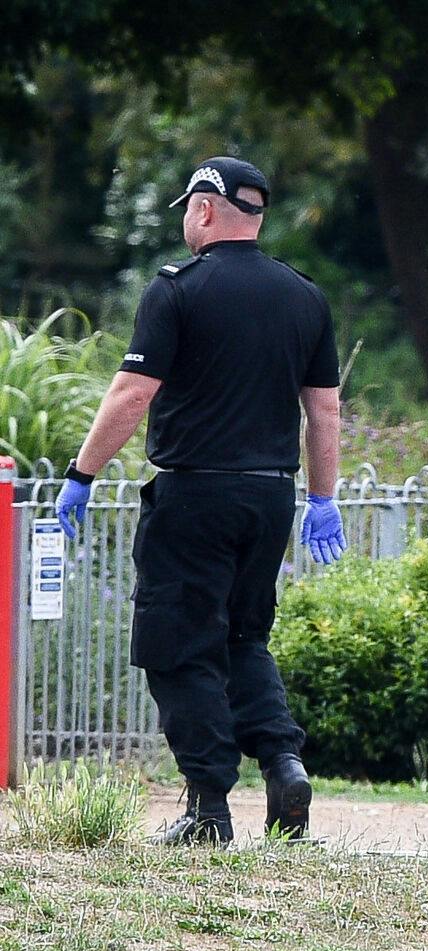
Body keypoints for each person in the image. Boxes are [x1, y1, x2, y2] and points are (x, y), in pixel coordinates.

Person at [54, 156, 344, 845]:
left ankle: (208, 807)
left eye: (189, 206)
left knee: (180, 646)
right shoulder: (304, 296)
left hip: (194, 494)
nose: (186, 218)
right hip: (270, 500)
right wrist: (322, 498)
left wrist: (83, 472)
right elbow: (326, 412)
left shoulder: (176, 291)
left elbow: (133, 393)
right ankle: (284, 763)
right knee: (245, 637)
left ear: (207, 209)